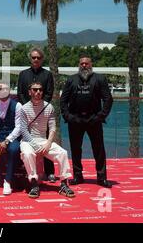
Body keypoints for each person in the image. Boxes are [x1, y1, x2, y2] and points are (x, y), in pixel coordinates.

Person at [60, 55, 113, 188]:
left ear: (91, 65)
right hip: (75, 120)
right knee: (76, 150)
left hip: (94, 120)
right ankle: (78, 176)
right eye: (82, 63)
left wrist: (101, 116)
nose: (84, 66)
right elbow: (63, 101)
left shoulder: (100, 79)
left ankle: (102, 178)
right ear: (79, 65)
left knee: (99, 150)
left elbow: (108, 99)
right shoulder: (71, 80)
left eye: (86, 63)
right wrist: (68, 117)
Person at [20, 82, 75, 198]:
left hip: (44, 140)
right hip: (28, 141)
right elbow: (24, 131)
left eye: (40, 90)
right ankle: (34, 183)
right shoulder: (24, 108)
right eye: (35, 90)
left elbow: (52, 128)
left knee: (62, 153)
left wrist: (49, 143)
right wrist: (35, 145)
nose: (38, 92)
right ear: (30, 92)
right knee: (27, 153)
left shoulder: (49, 107)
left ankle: (64, 183)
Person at [17, 47, 56, 183]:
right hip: (26, 112)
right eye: (33, 57)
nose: (36, 60)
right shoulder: (23, 74)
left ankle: (50, 172)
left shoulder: (47, 75)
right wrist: (29, 107)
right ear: (30, 59)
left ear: (42, 59)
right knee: (25, 140)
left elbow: (49, 93)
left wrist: (39, 106)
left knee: (45, 141)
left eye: (38, 58)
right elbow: (20, 93)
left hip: (43, 112)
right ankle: (24, 169)